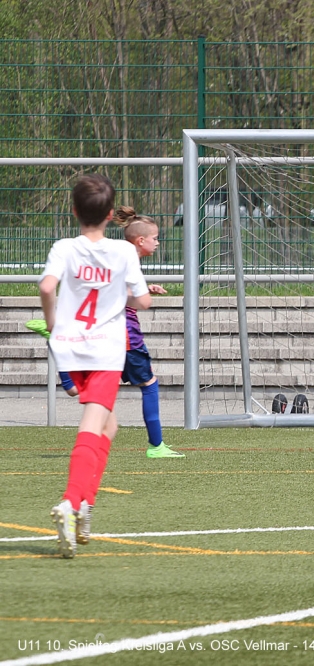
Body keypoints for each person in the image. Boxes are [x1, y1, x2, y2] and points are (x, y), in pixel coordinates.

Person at [41, 174, 152, 558]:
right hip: (104, 349)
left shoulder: (63, 247)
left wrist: (53, 321)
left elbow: (46, 287)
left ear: (74, 211)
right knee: (92, 424)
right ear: (110, 215)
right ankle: (72, 501)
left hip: (69, 347)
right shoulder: (122, 252)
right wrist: (129, 296)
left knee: (109, 425)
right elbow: (142, 301)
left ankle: (86, 505)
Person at [26, 208, 182, 459]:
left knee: (79, 390)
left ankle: (58, 342)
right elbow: (123, 294)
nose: (158, 242)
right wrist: (142, 295)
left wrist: (143, 288)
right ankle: (156, 446)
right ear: (141, 240)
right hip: (124, 334)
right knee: (149, 384)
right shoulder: (125, 256)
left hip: (99, 329)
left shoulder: (113, 254)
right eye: (155, 238)